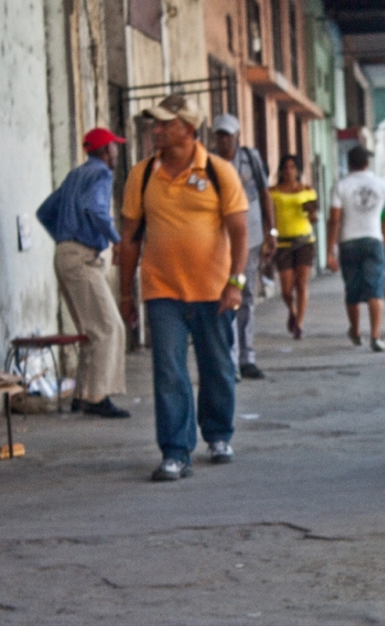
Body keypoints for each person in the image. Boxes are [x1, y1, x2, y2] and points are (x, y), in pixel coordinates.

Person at [119, 95, 249, 482]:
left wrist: (236, 283)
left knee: (217, 367)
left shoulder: (218, 171)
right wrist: (125, 293)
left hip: (214, 291)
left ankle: (219, 434)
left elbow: (240, 232)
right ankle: (175, 452)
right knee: (169, 372)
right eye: (155, 124)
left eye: (165, 124)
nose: (156, 130)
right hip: (162, 290)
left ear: (188, 129)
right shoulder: (142, 174)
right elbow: (130, 238)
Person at [36, 127, 130, 419]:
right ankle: (96, 396)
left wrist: (64, 236)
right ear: (105, 151)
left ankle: (82, 395)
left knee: (92, 330)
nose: (116, 151)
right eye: (114, 146)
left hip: (65, 254)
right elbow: (95, 209)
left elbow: (45, 212)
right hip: (82, 257)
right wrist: (116, 240)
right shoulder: (101, 174)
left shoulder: (75, 175)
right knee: (110, 327)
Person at [211, 113, 276, 380]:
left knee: (245, 294)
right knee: (224, 294)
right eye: (219, 135)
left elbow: (264, 193)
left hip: (250, 237)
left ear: (237, 135)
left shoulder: (250, 158)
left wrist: (271, 231)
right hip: (219, 239)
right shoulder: (209, 163)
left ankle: (246, 357)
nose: (224, 140)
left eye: (228, 135)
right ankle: (230, 359)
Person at [326, 146, 385, 352]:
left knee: (352, 289)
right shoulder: (382, 185)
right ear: (367, 163)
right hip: (374, 240)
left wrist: (330, 251)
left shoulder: (341, 186)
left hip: (348, 241)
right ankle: (376, 335)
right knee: (375, 289)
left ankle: (356, 331)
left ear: (349, 163)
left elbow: (334, 220)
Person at [270, 154, 318, 340]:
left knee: (302, 283)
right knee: (286, 289)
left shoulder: (307, 190)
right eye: (286, 167)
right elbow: (268, 216)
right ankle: (292, 310)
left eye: (293, 167)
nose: (289, 171)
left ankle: (299, 323)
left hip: (304, 240)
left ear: (298, 170)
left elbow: (313, 218)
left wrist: (311, 212)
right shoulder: (273, 192)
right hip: (282, 242)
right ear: (281, 171)